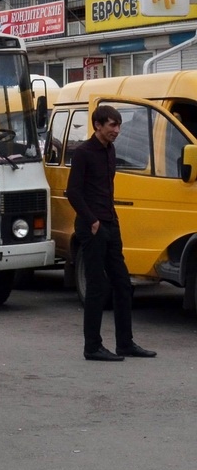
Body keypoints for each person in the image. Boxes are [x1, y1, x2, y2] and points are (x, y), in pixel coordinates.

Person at [65, 105, 156, 362]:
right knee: (97, 287)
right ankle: (92, 347)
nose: (116, 130)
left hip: (110, 224)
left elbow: (106, 188)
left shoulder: (110, 150)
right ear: (97, 125)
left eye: (118, 125)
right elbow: (73, 192)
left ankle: (125, 343)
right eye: (111, 125)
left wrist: (110, 221)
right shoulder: (83, 153)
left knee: (123, 284)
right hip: (91, 226)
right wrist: (92, 221)